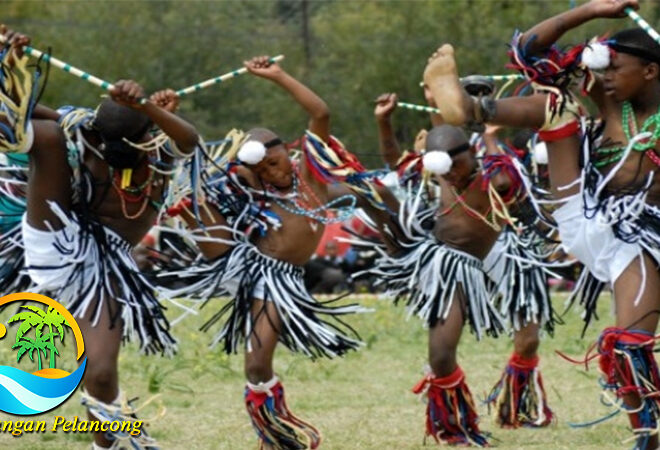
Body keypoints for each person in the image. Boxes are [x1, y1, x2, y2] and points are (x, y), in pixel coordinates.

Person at [423, 0, 660, 445]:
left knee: (630, 346)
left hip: (648, 232)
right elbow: (529, 50)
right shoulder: (608, 101)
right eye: (604, 68)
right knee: (558, 105)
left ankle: (646, 433)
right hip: (596, 219)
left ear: (650, 71)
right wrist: (589, 11)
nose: (606, 77)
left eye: (617, 68)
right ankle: (473, 110)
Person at [161, 55, 377, 450]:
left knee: (257, 364)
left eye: (275, 163)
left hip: (286, 278)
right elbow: (207, 159)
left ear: (288, 151)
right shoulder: (250, 183)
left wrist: (277, 76)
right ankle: (275, 436)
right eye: (261, 171)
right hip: (256, 270)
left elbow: (320, 111)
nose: (272, 174)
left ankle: (275, 435)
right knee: (256, 364)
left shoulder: (312, 174)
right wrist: (166, 117)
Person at [0, 28, 200, 449]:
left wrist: (144, 105)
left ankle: (105, 444)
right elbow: (27, 111)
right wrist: (8, 59)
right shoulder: (83, 133)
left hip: (108, 267)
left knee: (101, 373)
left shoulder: (163, 154)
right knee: (47, 137)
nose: (115, 152)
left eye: (131, 141)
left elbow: (189, 139)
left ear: (149, 135)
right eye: (108, 142)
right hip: (58, 240)